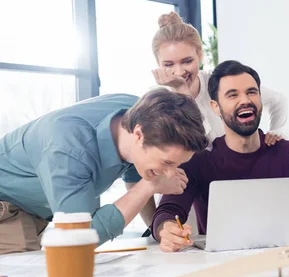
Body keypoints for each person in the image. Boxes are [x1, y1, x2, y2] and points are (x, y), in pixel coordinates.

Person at [0, 88, 208, 254]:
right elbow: (78, 239)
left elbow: (136, 172)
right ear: (138, 135)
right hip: (8, 207)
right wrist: (150, 185)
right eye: (167, 163)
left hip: (35, 211)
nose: (171, 173)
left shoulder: (138, 114)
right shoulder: (68, 149)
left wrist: (161, 229)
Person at [152, 60, 289, 252]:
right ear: (215, 107)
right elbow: (166, 212)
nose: (245, 100)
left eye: (252, 92)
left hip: (284, 262)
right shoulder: (198, 162)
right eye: (232, 95)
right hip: (219, 267)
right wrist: (168, 230)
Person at [150, 11, 288, 147]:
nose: (179, 72)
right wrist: (181, 91)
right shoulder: (157, 101)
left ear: (200, 55)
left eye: (187, 61)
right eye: (169, 64)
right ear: (158, 63)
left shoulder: (219, 83)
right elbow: (202, 145)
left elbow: (278, 100)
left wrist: (276, 131)